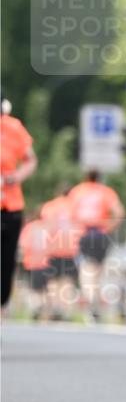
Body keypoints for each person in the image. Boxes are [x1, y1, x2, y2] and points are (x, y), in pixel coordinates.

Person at [68, 170, 124, 321]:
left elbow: (70, 215)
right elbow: (119, 212)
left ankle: (91, 301)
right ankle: (94, 301)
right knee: (97, 271)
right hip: (101, 234)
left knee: (87, 270)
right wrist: (108, 227)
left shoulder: (77, 191)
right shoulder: (106, 192)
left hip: (85, 234)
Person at [1, 97, 37, 314]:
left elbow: (30, 159)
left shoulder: (13, 128)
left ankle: (1, 304)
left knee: (6, 260)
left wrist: (15, 177)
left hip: (10, 206)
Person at [41, 184, 81, 321]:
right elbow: (80, 227)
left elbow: (45, 228)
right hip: (69, 249)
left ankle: (54, 307)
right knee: (67, 281)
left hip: (52, 249)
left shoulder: (49, 206)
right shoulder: (75, 206)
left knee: (53, 281)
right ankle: (66, 310)